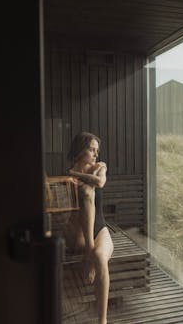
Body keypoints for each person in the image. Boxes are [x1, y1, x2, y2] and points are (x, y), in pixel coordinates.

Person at [65, 132, 113, 324]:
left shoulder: (100, 167)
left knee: (100, 257)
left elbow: (100, 182)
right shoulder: (68, 175)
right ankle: (88, 249)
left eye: (96, 150)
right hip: (78, 232)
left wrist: (76, 174)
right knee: (86, 192)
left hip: (100, 229)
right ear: (79, 151)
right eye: (91, 149)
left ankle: (102, 321)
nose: (95, 154)